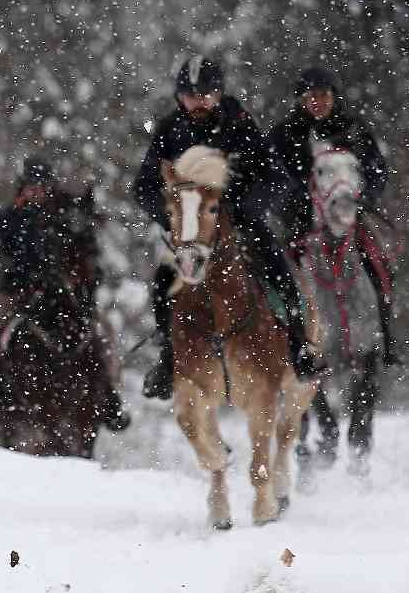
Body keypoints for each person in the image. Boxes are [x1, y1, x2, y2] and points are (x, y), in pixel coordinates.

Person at [133, 56, 329, 400]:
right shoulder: (168, 130)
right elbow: (143, 187)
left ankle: (299, 346)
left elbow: (276, 179)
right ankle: (168, 357)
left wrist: (242, 209)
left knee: (282, 275)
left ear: (219, 93)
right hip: (190, 233)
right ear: (179, 97)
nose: (198, 102)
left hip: (241, 224)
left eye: (205, 94)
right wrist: (174, 220)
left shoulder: (239, 123)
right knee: (162, 285)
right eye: (190, 95)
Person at [0, 157, 130, 430]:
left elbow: (76, 254)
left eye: (41, 187)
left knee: (106, 330)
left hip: (56, 291)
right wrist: (16, 275)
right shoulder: (7, 217)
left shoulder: (57, 217)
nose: (36, 192)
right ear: (22, 188)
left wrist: (72, 281)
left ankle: (110, 394)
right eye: (31, 186)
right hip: (15, 292)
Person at [268, 66, 399, 365]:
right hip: (299, 222)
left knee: (380, 264)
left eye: (323, 95)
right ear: (300, 99)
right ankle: (293, 341)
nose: (317, 102)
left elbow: (376, 168)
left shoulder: (353, 128)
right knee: (277, 275)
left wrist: (364, 196)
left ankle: (386, 337)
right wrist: (292, 203)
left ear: (333, 96)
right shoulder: (284, 135)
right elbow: (270, 178)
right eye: (310, 96)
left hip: (348, 214)